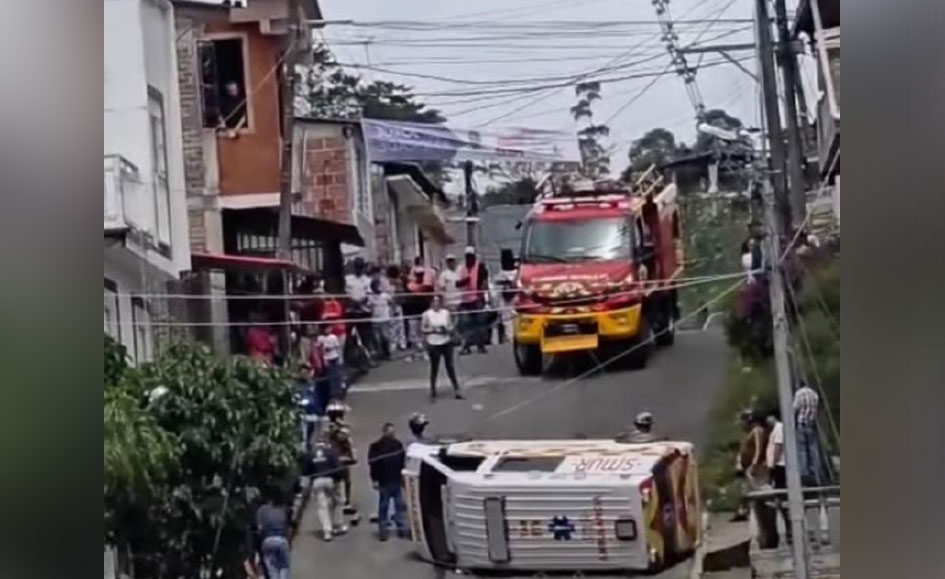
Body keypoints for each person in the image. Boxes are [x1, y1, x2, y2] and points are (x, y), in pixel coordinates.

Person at [367, 423, 409, 541]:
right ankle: (383, 531)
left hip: (396, 479)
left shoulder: (398, 445)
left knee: (399, 505)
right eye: (390, 432)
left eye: (393, 432)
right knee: (384, 506)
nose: (392, 434)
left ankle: (401, 528)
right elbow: (372, 464)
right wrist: (374, 479)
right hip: (383, 481)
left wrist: (403, 477)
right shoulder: (376, 446)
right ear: (384, 432)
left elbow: (402, 462)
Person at [422, 294, 464, 401]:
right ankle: (433, 391)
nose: (436, 303)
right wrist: (434, 330)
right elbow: (423, 329)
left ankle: (457, 389)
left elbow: (450, 325)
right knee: (434, 368)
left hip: (446, 342)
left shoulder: (445, 313)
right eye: (434, 301)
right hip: (433, 343)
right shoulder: (426, 314)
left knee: (450, 366)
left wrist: (448, 330)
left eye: (438, 301)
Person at [306, 438, 346, 541]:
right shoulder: (331, 452)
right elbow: (338, 466)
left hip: (317, 481)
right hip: (330, 480)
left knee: (322, 507)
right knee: (336, 502)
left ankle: (327, 532)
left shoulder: (311, 455)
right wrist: (339, 479)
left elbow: (307, 470)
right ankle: (338, 525)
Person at [765, 409, 791, 545]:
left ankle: (788, 528)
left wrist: (773, 462)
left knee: (781, 496)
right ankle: (786, 527)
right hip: (777, 466)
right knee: (778, 497)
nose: (767, 420)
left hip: (780, 466)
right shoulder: (775, 429)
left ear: (773, 416)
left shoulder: (779, 428)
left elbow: (778, 446)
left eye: (768, 417)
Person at [457, 246, 489, 354]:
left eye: (471, 256)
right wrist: (464, 281)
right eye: (467, 256)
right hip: (465, 300)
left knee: (480, 323)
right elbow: (457, 283)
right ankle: (466, 346)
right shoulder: (462, 268)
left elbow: (485, 281)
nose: (469, 258)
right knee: (467, 325)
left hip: (477, 299)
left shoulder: (480, 266)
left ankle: (481, 345)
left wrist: (483, 294)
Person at [328, 424, 361, 525]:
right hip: (333, 467)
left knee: (347, 482)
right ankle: (334, 502)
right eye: (343, 435)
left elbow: (353, 457)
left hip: (343, 466)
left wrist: (350, 458)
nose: (345, 437)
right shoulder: (332, 442)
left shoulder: (347, 442)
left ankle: (346, 501)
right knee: (335, 484)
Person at [254, 490, 291, 578]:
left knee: (272, 568)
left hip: (268, 540)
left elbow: (260, 528)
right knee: (284, 567)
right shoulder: (282, 508)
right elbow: (287, 526)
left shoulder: (261, 510)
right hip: (282, 539)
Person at [345, 257, 377, 357]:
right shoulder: (348, 279)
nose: (359, 269)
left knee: (366, 334)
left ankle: (368, 355)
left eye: (360, 267)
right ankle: (353, 355)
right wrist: (353, 302)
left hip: (364, 311)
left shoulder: (367, 280)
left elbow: (369, 294)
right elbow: (346, 294)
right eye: (357, 267)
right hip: (352, 311)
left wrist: (361, 302)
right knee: (350, 334)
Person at [793, 382, 822, 484]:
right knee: (813, 450)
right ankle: (817, 473)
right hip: (811, 425)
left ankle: (804, 475)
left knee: (802, 451)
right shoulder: (814, 394)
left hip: (801, 424)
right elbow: (817, 410)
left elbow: (794, 408)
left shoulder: (799, 393)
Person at [318, 322, 345, 400]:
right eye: (326, 328)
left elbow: (337, 347)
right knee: (329, 377)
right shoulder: (321, 338)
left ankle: (338, 392)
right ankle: (331, 394)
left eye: (329, 328)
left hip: (334, 357)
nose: (328, 330)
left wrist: (339, 357)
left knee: (336, 375)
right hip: (326, 359)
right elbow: (319, 348)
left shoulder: (333, 337)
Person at [369, 278, 394, 360]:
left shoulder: (385, 296)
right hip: (375, 319)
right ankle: (380, 353)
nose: (378, 287)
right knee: (377, 338)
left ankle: (387, 353)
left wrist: (390, 312)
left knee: (385, 337)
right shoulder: (371, 297)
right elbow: (369, 306)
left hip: (384, 319)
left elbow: (392, 302)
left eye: (378, 285)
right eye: (376, 286)